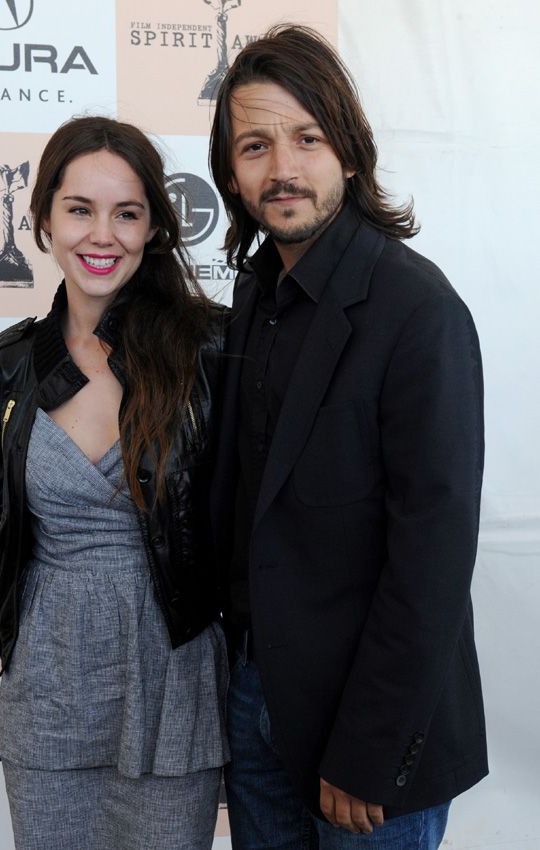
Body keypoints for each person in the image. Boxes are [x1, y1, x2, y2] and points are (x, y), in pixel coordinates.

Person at [208, 24, 487, 850]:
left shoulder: (418, 311)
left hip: (368, 737)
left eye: (308, 138)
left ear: (351, 154)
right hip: (257, 707)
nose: (282, 168)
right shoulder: (255, 299)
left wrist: (369, 749)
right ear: (230, 171)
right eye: (255, 145)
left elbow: (432, 560)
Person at [0, 116, 229, 850]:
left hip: (172, 678)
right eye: (80, 209)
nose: (104, 235)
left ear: (154, 227)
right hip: (49, 683)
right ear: (41, 220)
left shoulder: (210, 351)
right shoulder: (0, 371)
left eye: (127, 213)